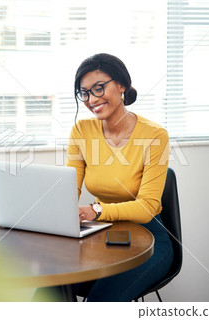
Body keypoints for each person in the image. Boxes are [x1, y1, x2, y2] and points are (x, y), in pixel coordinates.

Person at [66, 53, 174, 302]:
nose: (91, 99)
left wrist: (96, 209)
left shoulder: (155, 135)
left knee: (100, 303)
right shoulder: (82, 130)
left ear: (122, 84)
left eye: (99, 88)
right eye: (84, 92)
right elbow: (69, 187)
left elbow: (147, 208)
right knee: (49, 287)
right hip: (101, 233)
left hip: (148, 239)